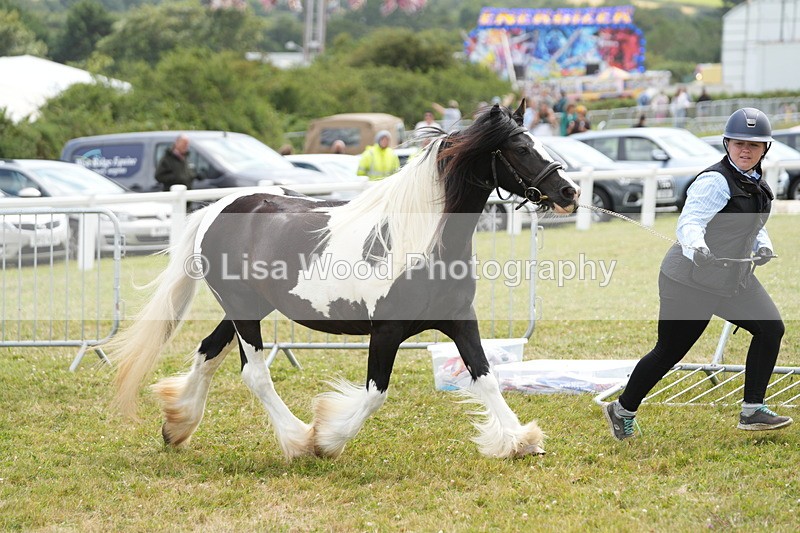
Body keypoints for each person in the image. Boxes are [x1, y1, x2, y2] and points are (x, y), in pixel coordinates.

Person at [603, 108, 792, 440]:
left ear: (765, 149)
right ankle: (622, 409)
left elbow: (753, 224)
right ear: (726, 144)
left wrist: (763, 245)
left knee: (770, 328)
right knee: (670, 351)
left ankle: (752, 410)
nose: (745, 151)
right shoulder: (714, 181)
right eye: (738, 144)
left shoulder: (756, 182)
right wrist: (698, 248)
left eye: (753, 145)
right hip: (688, 279)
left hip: (733, 278)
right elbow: (690, 222)